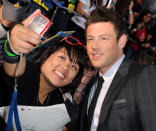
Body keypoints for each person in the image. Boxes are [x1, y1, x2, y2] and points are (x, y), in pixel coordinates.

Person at [78, 7, 156, 131]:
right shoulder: (95, 81)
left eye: (103, 38)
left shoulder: (143, 75)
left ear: (121, 41)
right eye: (90, 39)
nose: (95, 46)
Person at [2, 24, 86, 130]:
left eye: (74, 66)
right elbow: (14, 69)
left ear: (74, 79)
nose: (65, 67)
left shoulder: (57, 101)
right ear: (47, 56)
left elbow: (72, 121)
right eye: (62, 57)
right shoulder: (27, 72)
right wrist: (12, 49)